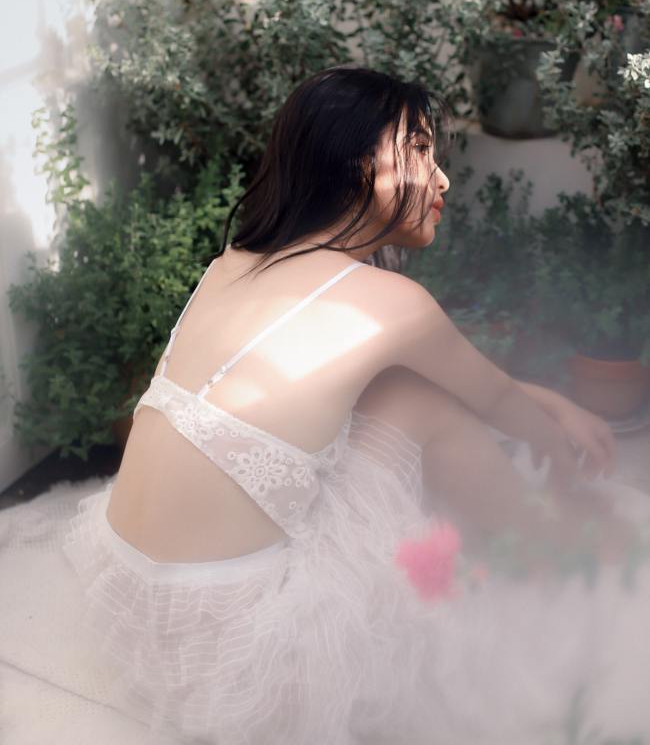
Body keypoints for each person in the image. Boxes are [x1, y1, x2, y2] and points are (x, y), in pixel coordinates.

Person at [3, 65, 650, 744]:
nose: (442, 179)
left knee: (399, 391)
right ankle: (544, 544)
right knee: (424, 405)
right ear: (360, 161)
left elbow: (485, 384)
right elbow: (496, 401)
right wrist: (562, 445)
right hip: (253, 663)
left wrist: (544, 401)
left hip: (137, 605)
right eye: (420, 150)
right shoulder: (394, 306)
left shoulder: (235, 262)